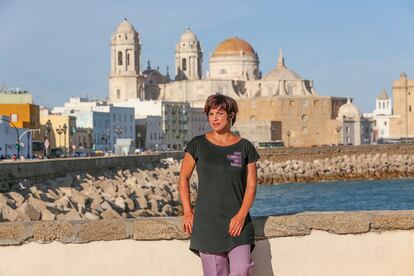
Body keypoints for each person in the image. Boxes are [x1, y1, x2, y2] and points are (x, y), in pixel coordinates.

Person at [179, 94, 260, 276]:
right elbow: (183, 178)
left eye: (220, 113)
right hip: (208, 224)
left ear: (231, 115)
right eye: (211, 114)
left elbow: (252, 186)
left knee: (241, 269)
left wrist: (241, 215)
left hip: (238, 223)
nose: (214, 118)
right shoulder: (197, 144)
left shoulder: (245, 147)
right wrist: (187, 211)